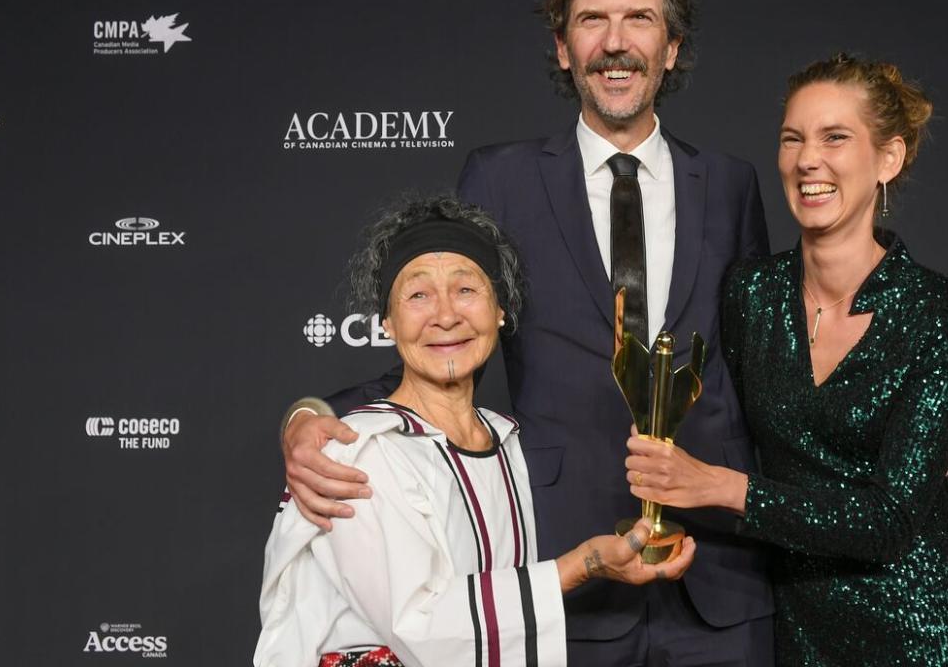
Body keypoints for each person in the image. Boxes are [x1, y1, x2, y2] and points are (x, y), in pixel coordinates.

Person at [281, 0, 948, 665]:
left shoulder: (732, 184)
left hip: (726, 581)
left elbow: (768, 350)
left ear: (672, 47)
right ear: (563, 47)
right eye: (593, 21)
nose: (616, 44)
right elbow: (444, 333)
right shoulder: (501, 179)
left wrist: (909, 412)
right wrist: (318, 416)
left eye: (640, 20)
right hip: (572, 568)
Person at [624, 54, 948, 665]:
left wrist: (720, 487)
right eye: (793, 139)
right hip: (804, 630)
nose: (808, 159)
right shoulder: (749, 295)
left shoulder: (943, 315)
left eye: (835, 137)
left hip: (934, 631)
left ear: (888, 158)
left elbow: (888, 522)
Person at [255, 196, 694, 667]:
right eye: (418, 295)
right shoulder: (359, 454)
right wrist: (582, 565)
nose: (446, 315)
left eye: (466, 289)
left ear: (500, 311)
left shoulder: (506, 442)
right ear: (387, 322)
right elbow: (416, 623)